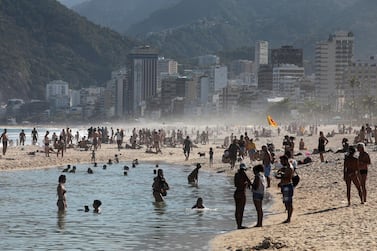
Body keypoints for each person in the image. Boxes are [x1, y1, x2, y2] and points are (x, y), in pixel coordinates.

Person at [276, 155, 294, 223]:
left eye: (282, 161)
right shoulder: (286, 167)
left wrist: (279, 177)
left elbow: (287, 178)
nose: (281, 162)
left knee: (288, 203)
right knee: (286, 202)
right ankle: (288, 218)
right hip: (285, 186)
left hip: (287, 186)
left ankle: (289, 218)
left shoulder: (289, 168)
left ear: (285, 160)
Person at [233, 163, 251, 229]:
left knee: (237, 210)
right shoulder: (244, 174)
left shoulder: (236, 174)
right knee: (241, 210)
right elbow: (249, 182)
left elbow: (235, 184)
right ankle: (240, 225)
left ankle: (238, 224)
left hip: (236, 193)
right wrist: (246, 184)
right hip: (242, 193)